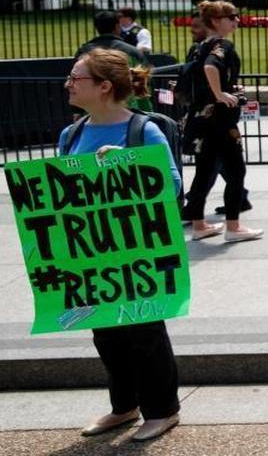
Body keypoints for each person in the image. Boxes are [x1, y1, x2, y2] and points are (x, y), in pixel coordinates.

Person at [61, 48, 181, 442]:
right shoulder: (71, 134)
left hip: (137, 249)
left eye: (76, 78)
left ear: (104, 86)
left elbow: (172, 185)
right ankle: (123, 407)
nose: (68, 84)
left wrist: (126, 163)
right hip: (93, 251)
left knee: (144, 329)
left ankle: (162, 410)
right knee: (104, 331)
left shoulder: (142, 131)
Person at [182, 0, 262, 243]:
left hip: (200, 119)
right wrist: (220, 94)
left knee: (204, 171)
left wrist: (225, 88)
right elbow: (210, 68)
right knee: (236, 171)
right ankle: (234, 226)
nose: (237, 20)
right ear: (216, 21)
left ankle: (198, 224)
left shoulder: (199, 46)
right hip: (220, 120)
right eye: (232, 16)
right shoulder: (221, 45)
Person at [75, 11, 151, 111]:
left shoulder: (84, 52)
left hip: (92, 109)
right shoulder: (132, 52)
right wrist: (146, 111)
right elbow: (141, 84)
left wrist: (77, 111)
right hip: (127, 109)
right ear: (117, 26)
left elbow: (76, 81)